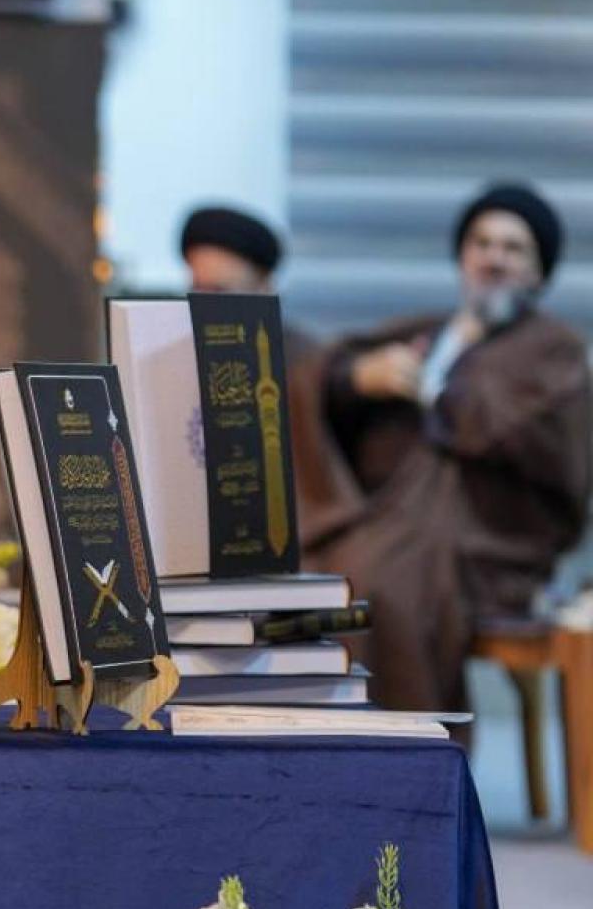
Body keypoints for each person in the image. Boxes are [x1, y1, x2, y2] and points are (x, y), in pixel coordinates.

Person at [305, 182, 590, 713]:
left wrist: (438, 388)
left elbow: (526, 433)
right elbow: (328, 374)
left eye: (513, 248)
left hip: (489, 537)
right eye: (482, 243)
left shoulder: (554, 350)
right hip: (394, 520)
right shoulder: (431, 331)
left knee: (383, 585)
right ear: (462, 257)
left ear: (538, 272)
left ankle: (408, 749)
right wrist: (360, 378)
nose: (494, 259)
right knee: (307, 572)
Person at [179, 205, 341, 546]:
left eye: (220, 292)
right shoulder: (173, 353)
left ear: (265, 287)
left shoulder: (306, 359)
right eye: (198, 290)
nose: (205, 306)